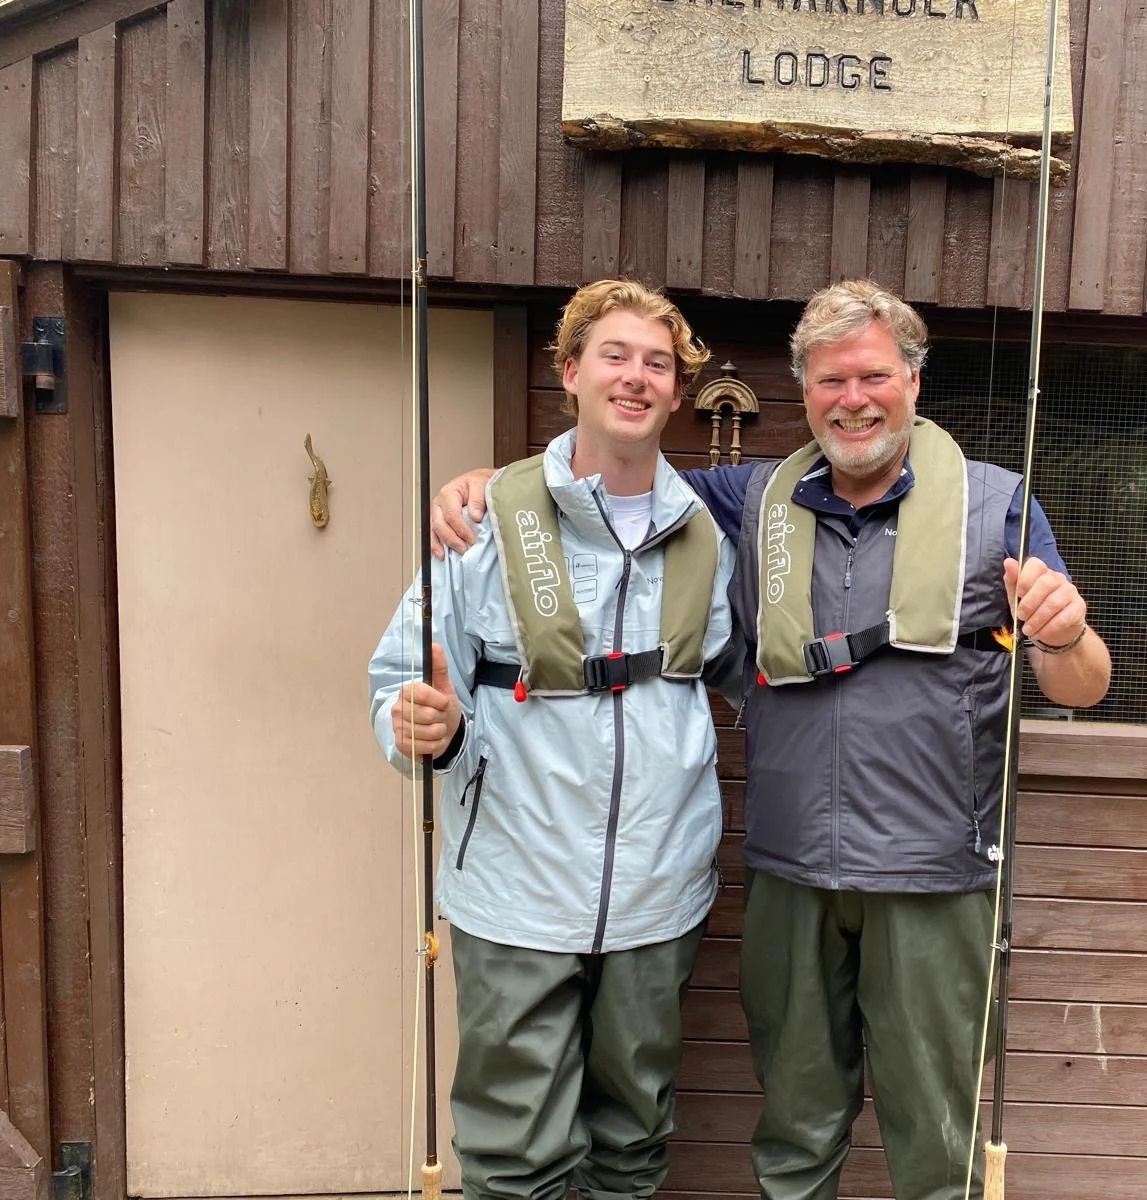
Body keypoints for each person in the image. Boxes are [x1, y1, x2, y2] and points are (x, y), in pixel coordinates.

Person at [430, 280, 1111, 1200]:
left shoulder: (997, 507)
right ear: (805, 394)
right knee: (795, 1133)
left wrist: (1066, 635)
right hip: (792, 876)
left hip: (935, 879)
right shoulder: (748, 499)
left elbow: (1083, 684)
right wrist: (491, 483)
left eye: (874, 375)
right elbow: (611, 478)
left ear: (914, 381)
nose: (853, 399)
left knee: (936, 1143)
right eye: (831, 381)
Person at [368, 279, 740, 1200]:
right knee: (513, 1156)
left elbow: (741, 676)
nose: (637, 376)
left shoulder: (706, 536)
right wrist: (422, 726)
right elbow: (400, 678)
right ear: (571, 373)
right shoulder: (484, 522)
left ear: (677, 392)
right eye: (615, 355)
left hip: (659, 898)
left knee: (633, 1142)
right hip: (516, 897)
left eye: (658, 363)